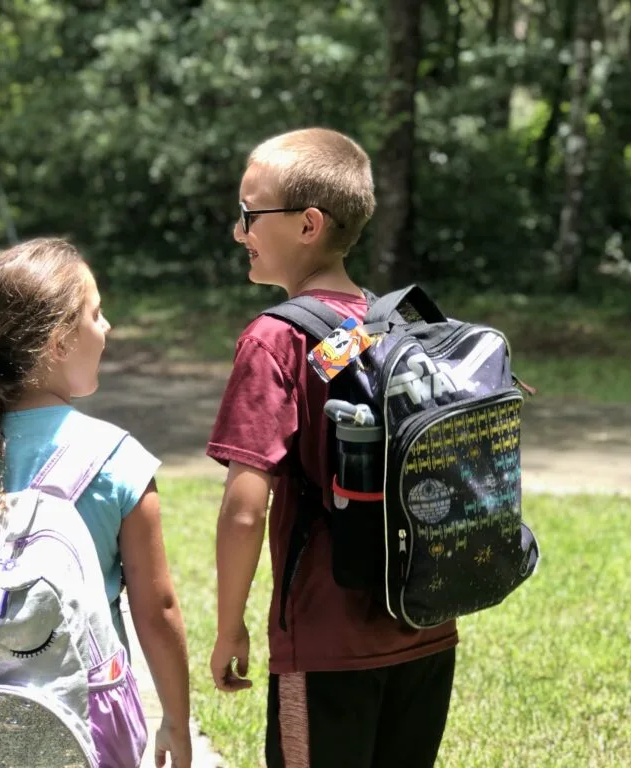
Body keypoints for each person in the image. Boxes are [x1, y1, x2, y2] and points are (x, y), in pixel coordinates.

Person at [207, 128, 459, 768]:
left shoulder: (273, 341)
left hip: (324, 642)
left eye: (249, 215)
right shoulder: (396, 324)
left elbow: (244, 509)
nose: (240, 232)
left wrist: (230, 624)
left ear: (307, 224)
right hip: (425, 625)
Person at [0, 238, 192, 767]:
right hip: (80, 728)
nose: (106, 329)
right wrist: (175, 719)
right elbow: (159, 613)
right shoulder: (116, 461)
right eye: (96, 314)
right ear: (59, 342)